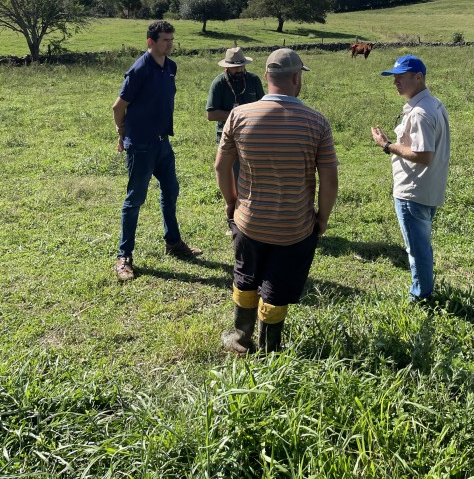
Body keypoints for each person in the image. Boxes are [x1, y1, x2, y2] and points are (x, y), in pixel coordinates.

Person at [215, 48, 339, 354]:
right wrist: (322, 218)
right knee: (277, 287)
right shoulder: (317, 122)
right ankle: (271, 350)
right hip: (295, 227)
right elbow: (329, 179)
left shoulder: (239, 115)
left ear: (267, 77)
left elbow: (221, 166)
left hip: (249, 221)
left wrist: (232, 202)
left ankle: (242, 340)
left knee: (245, 278)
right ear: (297, 78)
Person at [112, 20, 202, 281]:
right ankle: (123, 257)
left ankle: (173, 242)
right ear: (150, 42)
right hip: (140, 145)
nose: (170, 44)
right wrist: (122, 133)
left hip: (163, 142)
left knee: (171, 189)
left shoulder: (171, 67)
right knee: (134, 200)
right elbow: (118, 107)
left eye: (172, 39)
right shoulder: (139, 69)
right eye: (165, 40)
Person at [371, 54, 450, 303]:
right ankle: (425, 287)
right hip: (428, 187)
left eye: (401, 77)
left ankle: (421, 296)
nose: (396, 82)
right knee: (421, 244)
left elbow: (424, 155)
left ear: (418, 77)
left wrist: (387, 145)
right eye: (394, 78)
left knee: (416, 249)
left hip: (413, 191)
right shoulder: (433, 104)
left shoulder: (420, 113)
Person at [206, 46, 264, 187]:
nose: (238, 70)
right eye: (234, 67)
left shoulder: (254, 80)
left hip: (253, 135)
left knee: (255, 175)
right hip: (228, 135)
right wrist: (239, 116)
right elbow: (211, 114)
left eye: (241, 66)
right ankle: (234, 203)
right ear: (226, 67)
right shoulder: (219, 83)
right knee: (234, 175)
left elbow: (263, 105)